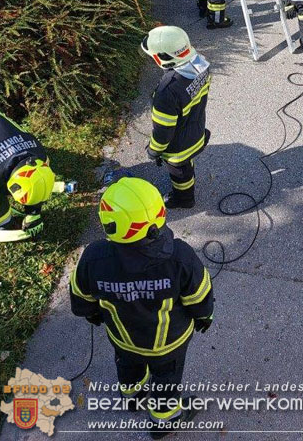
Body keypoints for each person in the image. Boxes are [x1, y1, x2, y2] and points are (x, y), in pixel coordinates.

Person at [70, 177, 214, 439]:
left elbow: (81, 296)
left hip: (124, 341)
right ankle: (164, 421)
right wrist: (205, 317)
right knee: (166, 381)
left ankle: (133, 396)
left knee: (128, 367)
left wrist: (91, 313)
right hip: (168, 344)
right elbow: (200, 294)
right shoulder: (180, 257)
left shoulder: (94, 257)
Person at [141, 26, 210, 210]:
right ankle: (187, 182)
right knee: (187, 164)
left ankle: (184, 199)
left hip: (178, 147)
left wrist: (153, 151)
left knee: (179, 173)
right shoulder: (200, 65)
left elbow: (163, 132)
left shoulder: (166, 92)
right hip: (196, 130)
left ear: (162, 58)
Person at [0, 107, 55, 238]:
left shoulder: (40, 153)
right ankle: (1, 225)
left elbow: (37, 179)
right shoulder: (40, 153)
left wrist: (33, 214)